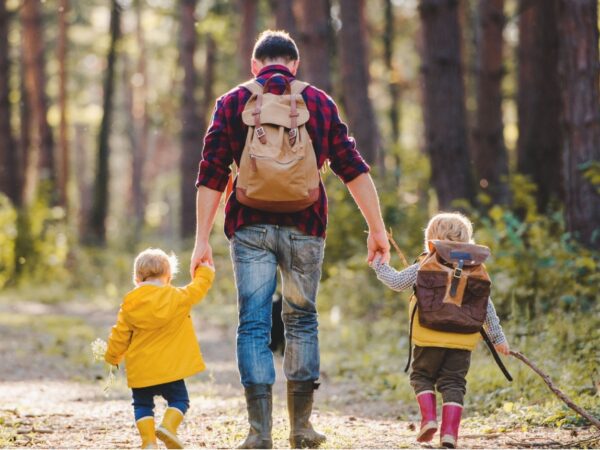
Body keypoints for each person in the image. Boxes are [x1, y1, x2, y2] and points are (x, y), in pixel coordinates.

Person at [191, 30, 390, 449]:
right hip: (306, 226)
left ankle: (259, 432)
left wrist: (200, 240)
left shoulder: (232, 102)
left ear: (254, 65)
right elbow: (351, 167)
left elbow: (212, 172)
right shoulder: (317, 102)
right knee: (301, 320)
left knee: (253, 325)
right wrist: (377, 229)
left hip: (249, 228)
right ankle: (301, 428)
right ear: (295, 65)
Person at [371, 212, 510, 448]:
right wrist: (498, 338)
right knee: (454, 383)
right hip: (462, 341)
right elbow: (486, 307)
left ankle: (428, 420)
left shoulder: (426, 264)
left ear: (430, 242)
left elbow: (395, 283)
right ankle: (449, 435)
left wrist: (378, 265)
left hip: (429, 336)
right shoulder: (476, 269)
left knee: (422, 377)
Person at [104, 248, 215, 449]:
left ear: (137, 278)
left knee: (142, 405)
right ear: (169, 277)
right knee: (180, 400)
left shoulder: (130, 303)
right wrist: (205, 270)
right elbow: (197, 288)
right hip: (171, 369)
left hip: (141, 370)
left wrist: (113, 356)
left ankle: (148, 442)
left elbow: (120, 334)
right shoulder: (178, 297)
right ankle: (168, 427)